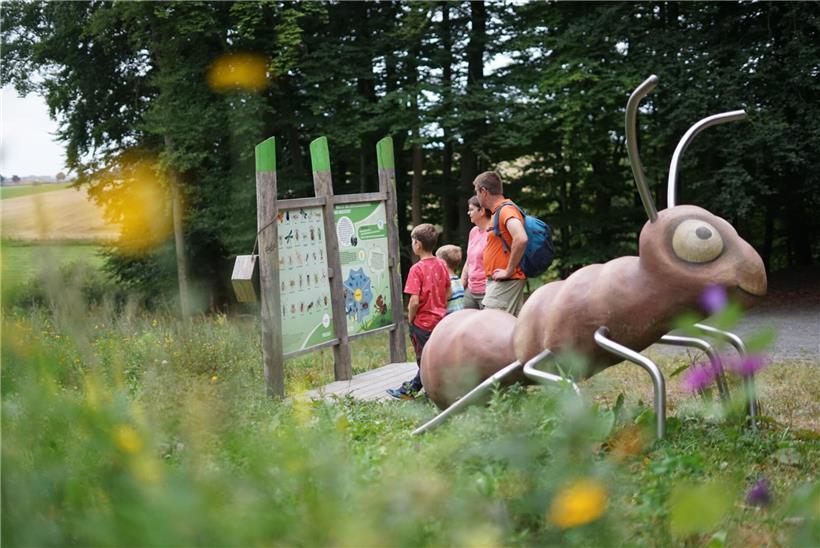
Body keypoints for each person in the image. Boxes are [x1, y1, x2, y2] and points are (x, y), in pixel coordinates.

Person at [387, 223, 450, 400]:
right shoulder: (441, 264)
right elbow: (448, 290)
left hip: (422, 323)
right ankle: (411, 390)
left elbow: (414, 301)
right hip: (440, 321)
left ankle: (427, 394)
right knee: (435, 357)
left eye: (413, 241)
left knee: (424, 360)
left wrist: (411, 319)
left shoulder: (417, 269)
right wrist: (441, 306)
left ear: (418, 245)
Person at [473, 171, 528, 316]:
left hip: (507, 281)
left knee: (488, 328)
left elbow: (521, 238)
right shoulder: (497, 212)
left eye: (477, 192)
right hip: (504, 281)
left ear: (484, 191)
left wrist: (509, 270)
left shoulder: (506, 210)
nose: (476, 197)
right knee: (511, 330)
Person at [461, 196, 491, 309]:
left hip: (487, 291)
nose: (468, 213)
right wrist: (461, 283)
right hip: (470, 289)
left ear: (482, 211)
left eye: (471, 209)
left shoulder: (492, 233)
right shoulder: (473, 232)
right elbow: (469, 260)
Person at [435, 244, 465, 314]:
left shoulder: (447, 283)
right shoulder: (458, 280)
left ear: (443, 263)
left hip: (449, 320)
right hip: (459, 318)